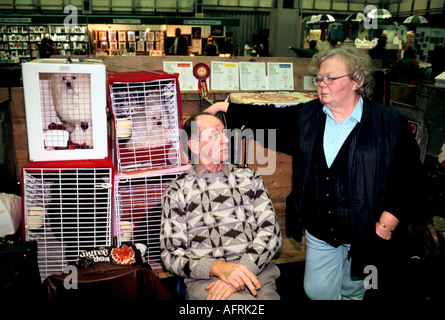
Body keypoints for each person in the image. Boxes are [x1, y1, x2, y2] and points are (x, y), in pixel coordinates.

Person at [205, 45, 424, 300]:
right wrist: (228, 108)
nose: (322, 84)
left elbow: (409, 178)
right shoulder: (309, 114)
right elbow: (271, 117)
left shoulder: (387, 122)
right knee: (317, 291)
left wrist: (386, 224)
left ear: (356, 81)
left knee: (354, 289)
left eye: (331, 78)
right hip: (321, 230)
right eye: (320, 78)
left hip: (366, 231)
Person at [160, 112, 282, 300]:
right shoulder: (176, 190)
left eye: (224, 133)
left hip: (258, 277)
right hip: (208, 285)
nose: (226, 139)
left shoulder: (250, 178)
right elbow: (171, 254)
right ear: (194, 145)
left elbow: (271, 234)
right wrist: (218, 268)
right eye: (215, 135)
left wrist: (237, 274)